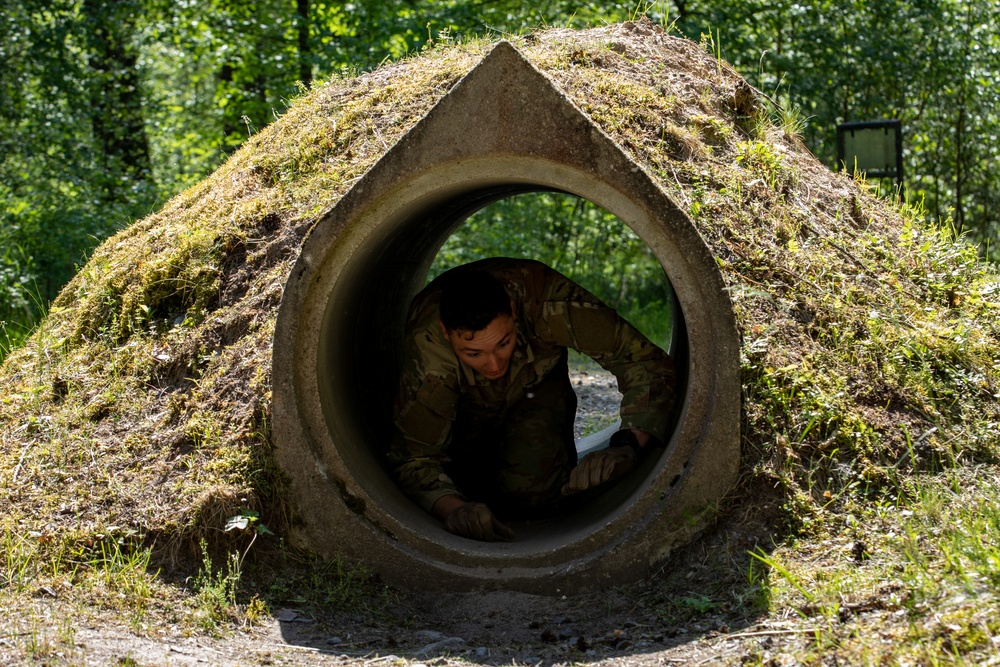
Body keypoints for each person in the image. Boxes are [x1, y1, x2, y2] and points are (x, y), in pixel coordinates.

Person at [387, 257, 676, 542]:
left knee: (535, 497)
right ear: (445, 334)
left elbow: (644, 362)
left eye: (503, 342)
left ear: (513, 311)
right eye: (473, 353)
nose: (493, 365)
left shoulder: (547, 303)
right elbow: (413, 457)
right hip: (463, 405)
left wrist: (629, 443)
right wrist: (454, 509)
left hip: (536, 385)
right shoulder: (428, 352)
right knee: (466, 483)